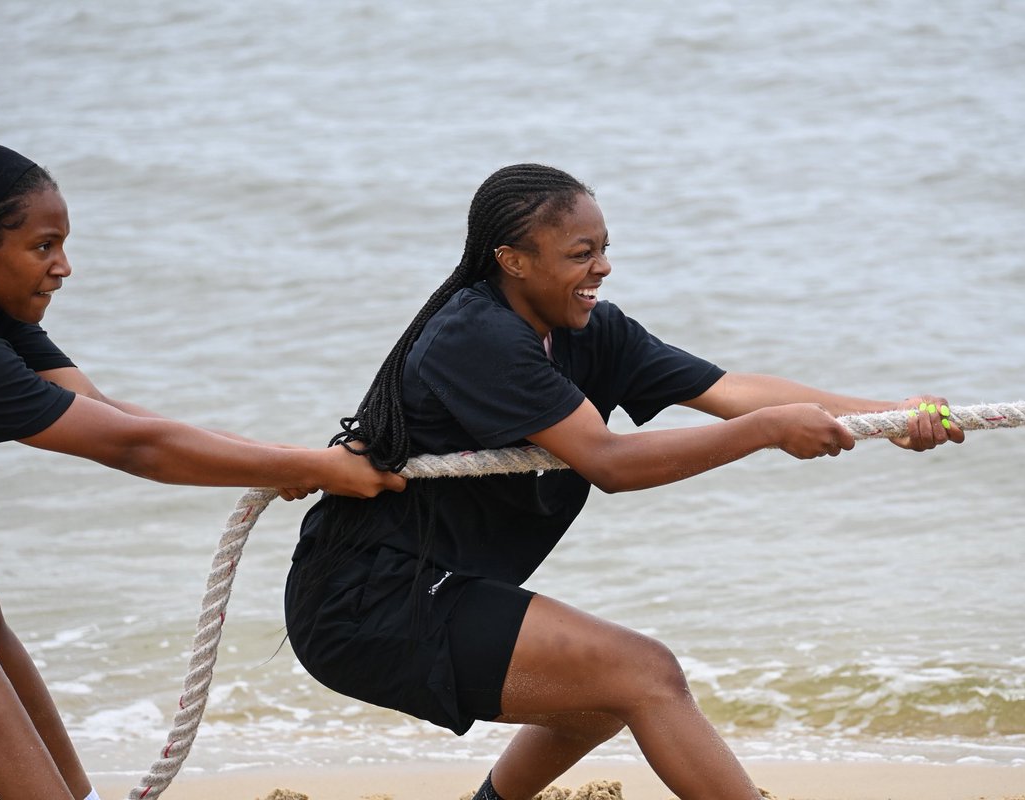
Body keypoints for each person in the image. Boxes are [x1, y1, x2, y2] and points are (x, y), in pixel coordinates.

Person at [284, 163, 964, 800]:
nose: (602, 268)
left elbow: (732, 390)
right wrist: (766, 433)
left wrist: (887, 416)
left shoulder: (591, 330)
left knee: (596, 700)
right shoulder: (475, 336)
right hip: (366, 598)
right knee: (643, 673)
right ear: (513, 260)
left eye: (605, 248)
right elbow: (609, 462)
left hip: (435, 582)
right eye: (581, 253)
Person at [0, 141, 407, 800]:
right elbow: (131, 449)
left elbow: (106, 414)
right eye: (42, 247)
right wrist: (310, 465)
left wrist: (296, 460)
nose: (63, 267)